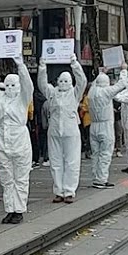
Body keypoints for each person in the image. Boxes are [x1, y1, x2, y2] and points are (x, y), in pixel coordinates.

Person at [0, 55, 32, 223]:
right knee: (6, 177)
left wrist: (21, 66)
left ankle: (19, 209)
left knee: (21, 177)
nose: (10, 88)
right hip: (2, 139)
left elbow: (28, 86)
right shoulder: (0, 99)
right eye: (8, 85)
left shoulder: (23, 100)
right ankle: (10, 208)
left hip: (19, 139)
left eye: (13, 85)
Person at [39, 55, 87, 203]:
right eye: (61, 80)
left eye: (66, 81)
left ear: (71, 82)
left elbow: (82, 81)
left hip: (70, 130)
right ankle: (59, 190)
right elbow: (42, 85)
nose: (63, 83)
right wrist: (42, 67)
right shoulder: (52, 93)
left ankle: (69, 190)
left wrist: (75, 64)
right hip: (54, 131)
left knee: (72, 161)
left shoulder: (74, 93)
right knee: (56, 162)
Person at [87, 67, 124, 189]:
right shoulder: (107, 92)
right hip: (105, 125)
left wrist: (101, 73)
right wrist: (124, 70)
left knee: (95, 154)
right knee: (105, 153)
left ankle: (95, 177)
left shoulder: (91, 92)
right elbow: (121, 84)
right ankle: (102, 179)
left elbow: (94, 83)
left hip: (93, 125)